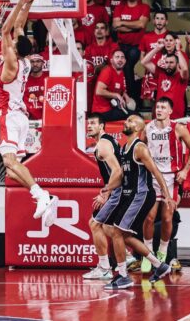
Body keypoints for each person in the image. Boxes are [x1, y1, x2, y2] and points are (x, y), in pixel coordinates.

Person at [0, 0, 57, 225]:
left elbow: (4, 30)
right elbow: (18, 26)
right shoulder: (27, 63)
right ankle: (41, 197)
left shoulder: (11, 63)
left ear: (13, 50)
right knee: (12, 169)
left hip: (8, 115)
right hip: (21, 118)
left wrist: (19, 1)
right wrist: (30, 1)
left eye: (10, 45)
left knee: (9, 162)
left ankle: (41, 195)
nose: (7, 43)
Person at [104, 116, 174, 289]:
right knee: (124, 235)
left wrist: (167, 195)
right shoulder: (123, 148)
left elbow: (157, 172)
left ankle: (123, 276)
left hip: (141, 195)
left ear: (138, 128)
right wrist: (108, 188)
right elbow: (122, 175)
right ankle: (160, 265)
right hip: (130, 195)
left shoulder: (139, 148)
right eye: (126, 120)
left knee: (117, 233)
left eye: (130, 122)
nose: (126, 123)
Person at [140, 97, 190, 273]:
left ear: (170, 111)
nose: (159, 110)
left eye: (163, 107)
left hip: (171, 178)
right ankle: (147, 254)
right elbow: (139, 148)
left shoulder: (178, 128)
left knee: (167, 218)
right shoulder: (147, 128)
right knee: (149, 218)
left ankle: (162, 252)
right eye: (157, 107)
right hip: (151, 177)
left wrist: (185, 171)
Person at [83, 113, 123, 281]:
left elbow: (118, 171)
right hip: (119, 190)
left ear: (102, 126)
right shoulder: (107, 141)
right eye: (88, 123)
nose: (89, 126)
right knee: (109, 229)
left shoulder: (103, 145)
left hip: (117, 191)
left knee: (94, 224)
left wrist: (106, 192)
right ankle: (128, 257)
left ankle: (105, 268)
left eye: (93, 123)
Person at [113, 0, 149, 100]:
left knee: (127, 66)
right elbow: (115, 26)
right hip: (121, 45)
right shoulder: (119, 7)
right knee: (121, 67)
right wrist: (134, 26)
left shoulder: (144, 7)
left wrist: (122, 23)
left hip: (136, 46)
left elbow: (141, 24)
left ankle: (131, 97)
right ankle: (129, 96)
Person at [141, 35, 189, 118]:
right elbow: (144, 62)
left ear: (177, 64)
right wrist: (157, 48)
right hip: (159, 116)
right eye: (166, 62)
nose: (168, 65)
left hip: (176, 116)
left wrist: (178, 50)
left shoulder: (181, 76)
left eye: (171, 63)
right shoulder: (160, 73)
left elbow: (184, 68)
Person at [92, 49, 135, 121]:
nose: (120, 59)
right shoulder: (107, 71)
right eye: (117, 57)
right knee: (135, 117)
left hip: (112, 109)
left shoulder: (121, 72)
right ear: (111, 60)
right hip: (101, 112)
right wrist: (116, 95)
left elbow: (121, 90)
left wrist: (127, 98)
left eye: (122, 57)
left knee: (134, 114)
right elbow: (99, 91)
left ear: (125, 61)